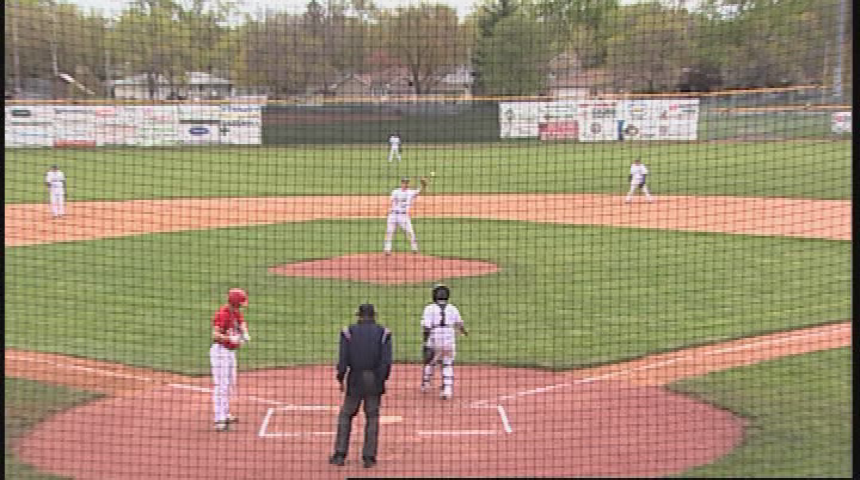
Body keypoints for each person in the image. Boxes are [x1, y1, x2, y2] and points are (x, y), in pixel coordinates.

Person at [330, 304, 393, 469]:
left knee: (346, 415)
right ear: (374, 316)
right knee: (372, 417)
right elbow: (386, 362)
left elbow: (343, 360)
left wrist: (341, 377)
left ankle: (339, 455)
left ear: (359, 316)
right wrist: (382, 380)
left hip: (355, 379)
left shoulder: (348, 332)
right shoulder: (383, 333)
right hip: (375, 379)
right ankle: (369, 457)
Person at [210, 288, 251, 432]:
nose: (242, 306)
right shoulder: (223, 315)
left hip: (230, 353)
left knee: (230, 384)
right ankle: (219, 419)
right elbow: (215, 335)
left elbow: (242, 323)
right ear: (235, 302)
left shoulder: (235, 313)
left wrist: (244, 332)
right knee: (221, 385)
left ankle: (226, 413)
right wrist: (229, 338)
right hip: (220, 352)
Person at [420, 284, 467, 399]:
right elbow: (460, 324)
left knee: (430, 361)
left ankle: (426, 383)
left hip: (435, 335)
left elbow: (426, 327)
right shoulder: (453, 308)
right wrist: (464, 332)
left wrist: (425, 342)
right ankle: (447, 389)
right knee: (447, 363)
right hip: (449, 335)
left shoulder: (429, 308)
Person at [383, 176, 428, 255]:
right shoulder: (395, 191)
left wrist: (424, 185)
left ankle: (414, 249)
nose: (405, 184)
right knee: (389, 232)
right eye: (404, 182)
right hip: (393, 214)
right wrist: (388, 210)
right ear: (401, 183)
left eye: (407, 182)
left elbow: (421, 191)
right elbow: (391, 202)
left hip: (403, 216)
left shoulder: (411, 192)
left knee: (410, 232)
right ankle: (387, 249)